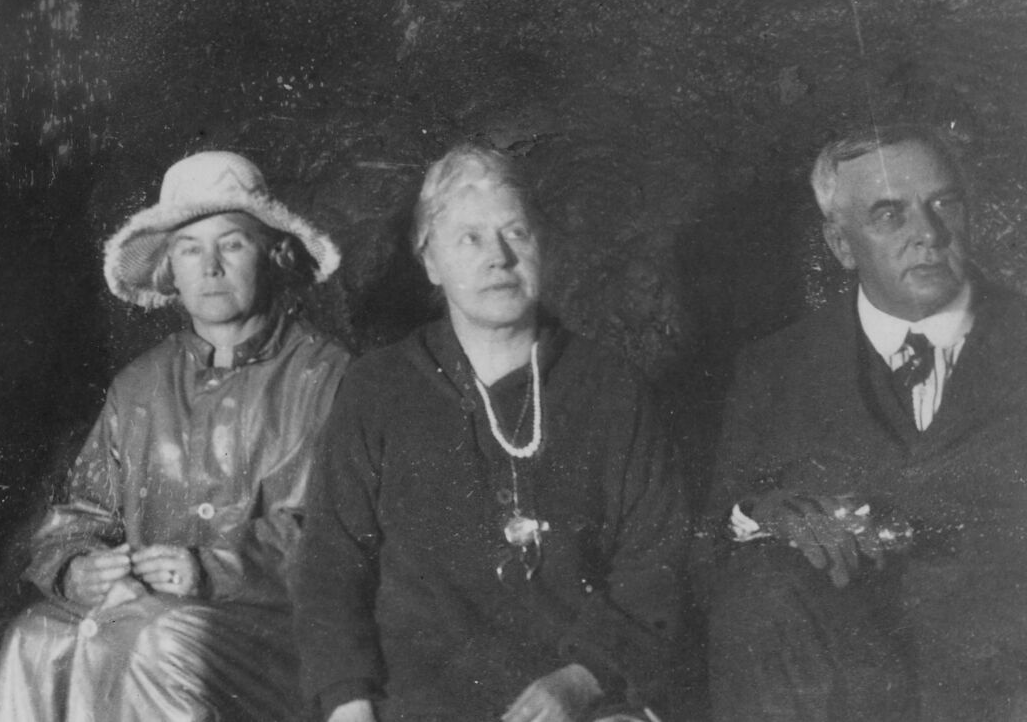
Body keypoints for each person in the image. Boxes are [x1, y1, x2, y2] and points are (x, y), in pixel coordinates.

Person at [295, 144, 687, 722]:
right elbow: (332, 565)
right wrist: (348, 704)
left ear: (541, 249)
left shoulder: (611, 387)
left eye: (516, 234)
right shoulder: (376, 389)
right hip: (418, 702)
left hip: (581, 700)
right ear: (429, 260)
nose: (498, 257)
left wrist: (580, 682)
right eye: (470, 239)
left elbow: (657, 566)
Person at [0, 151, 350, 722]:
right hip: (146, 614)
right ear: (169, 271)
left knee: (161, 638)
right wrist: (77, 567)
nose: (210, 267)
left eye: (231, 244)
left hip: (274, 635)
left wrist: (208, 567)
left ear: (273, 254)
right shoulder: (140, 385)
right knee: (34, 638)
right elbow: (81, 513)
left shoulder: (324, 375)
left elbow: (331, 534)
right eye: (189, 248)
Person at [703, 124, 1027, 721]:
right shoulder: (774, 368)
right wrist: (765, 515)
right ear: (840, 244)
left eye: (943, 204)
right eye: (888, 214)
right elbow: (714, 541)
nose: (927, 235)